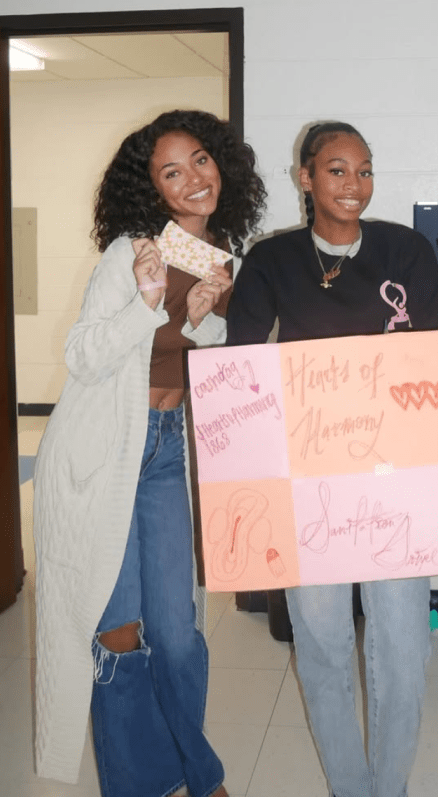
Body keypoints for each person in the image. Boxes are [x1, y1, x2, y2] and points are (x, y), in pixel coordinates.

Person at [33, 109, 266, 797]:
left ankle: (189, 765)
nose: (193, 178)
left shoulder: (226, 258)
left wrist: (206, 316)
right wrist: (146, 301)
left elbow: (209, 363)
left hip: (166, 452)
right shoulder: (131, 253)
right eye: (172, 171)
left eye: (200, 159)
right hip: (102, 451)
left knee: (181, 632)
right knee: (121, 634)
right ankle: (149, 784)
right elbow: (81, 354)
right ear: (152, 188)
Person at [225, 121, 438, 797]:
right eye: (337, 170)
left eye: (365, 170)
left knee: (402, 655)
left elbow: (437, 362)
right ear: (306, 177)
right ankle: (352, 788)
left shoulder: (407, 251)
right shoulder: (271, 260)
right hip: (308, 485)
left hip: (395, 484)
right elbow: (242, 364)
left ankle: (390, 788)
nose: (355, 185)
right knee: (322, 649)